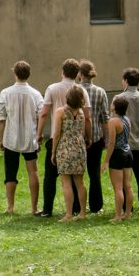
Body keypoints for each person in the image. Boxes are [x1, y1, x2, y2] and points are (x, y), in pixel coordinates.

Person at [36, 59, 92, 218]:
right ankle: (79, 210)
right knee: (79, 181)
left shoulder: (52, 89)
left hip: (61, 142)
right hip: (78, 142)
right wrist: (88, 137)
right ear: (77, 74)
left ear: (62, 71)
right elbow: (87, 117)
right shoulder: (82, 92)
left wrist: (39, 135)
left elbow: (45, 113)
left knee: (52, 177)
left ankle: (48, 209)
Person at [0, 61, 44, 214]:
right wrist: (39, 134)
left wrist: (1, 138)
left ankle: (10, 207)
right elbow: (40, 116)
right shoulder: (35, 94)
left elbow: (2, 118)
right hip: (30, 138)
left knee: (10, 173)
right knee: (33, 172)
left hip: (11, 138)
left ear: (15, 73)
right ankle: (35, 208)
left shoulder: (5, 93)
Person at [110, 68, 139, 215]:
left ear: (126, 81)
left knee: (124, 181)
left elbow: (113, 120)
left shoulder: (118, 98)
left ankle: (127, 207)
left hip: (123, 146)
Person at [51, 84, 88, 221]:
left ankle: (68, 214)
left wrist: (53, 152)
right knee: (80, 182)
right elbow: (82, 132)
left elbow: (56, 134)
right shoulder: (81, 113)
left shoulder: (60, 112)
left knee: (66, 182)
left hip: (65, 148)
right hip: (79, 148)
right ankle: (83, 213)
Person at [77, 60, 109, 214]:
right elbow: (104, 117)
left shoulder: (74, 90)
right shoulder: (100, 92)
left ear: (80, 74)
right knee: (94, 173)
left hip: (78, 137)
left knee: (77, 174)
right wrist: (106, 138)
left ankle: (77, 206)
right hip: (96, 137)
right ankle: (96, 205)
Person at [101, 96, 134, 222]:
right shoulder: (127, 119)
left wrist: (106, 161)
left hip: (117, 154)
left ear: (115, 107)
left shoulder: (113, 121)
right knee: (128, 186)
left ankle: (118, 216)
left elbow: (111, 142)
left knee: (118, 187)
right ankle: (127, 213)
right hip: (128, 152)